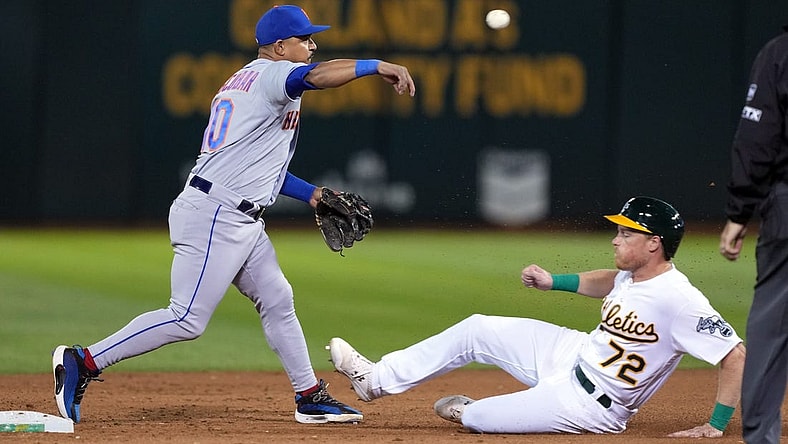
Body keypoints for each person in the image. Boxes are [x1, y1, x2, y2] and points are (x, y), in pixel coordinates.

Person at [51, 4, 415, 425]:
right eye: (305, 39)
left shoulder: (245, 80)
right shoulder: (275, 75)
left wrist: (313, 195)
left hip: (232, 211)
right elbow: (315, 76)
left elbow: (257, 167)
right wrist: (375, 66)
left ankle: (309, 395)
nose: (312, 45)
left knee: (277, 298)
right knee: (187, 318)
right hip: (215, 215)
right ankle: (83, 360)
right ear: (280, 47)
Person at [329, 196, 746, 436]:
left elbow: (735, 355)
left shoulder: (680, 300)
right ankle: (375, 380)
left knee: (478, 418)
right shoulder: (633, 274)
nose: (616, 239)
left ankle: (477, 411)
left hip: (591, 405)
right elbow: (610, 280)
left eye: (626, 233)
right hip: (574, 353)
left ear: (654, 243)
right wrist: (555, 282)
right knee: (478, 328)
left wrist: (716, 425)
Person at [719, 28, 788, 444]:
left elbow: (757, 138)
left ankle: (761, 436)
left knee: (772, 322)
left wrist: (738, 211)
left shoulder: (780, 52)